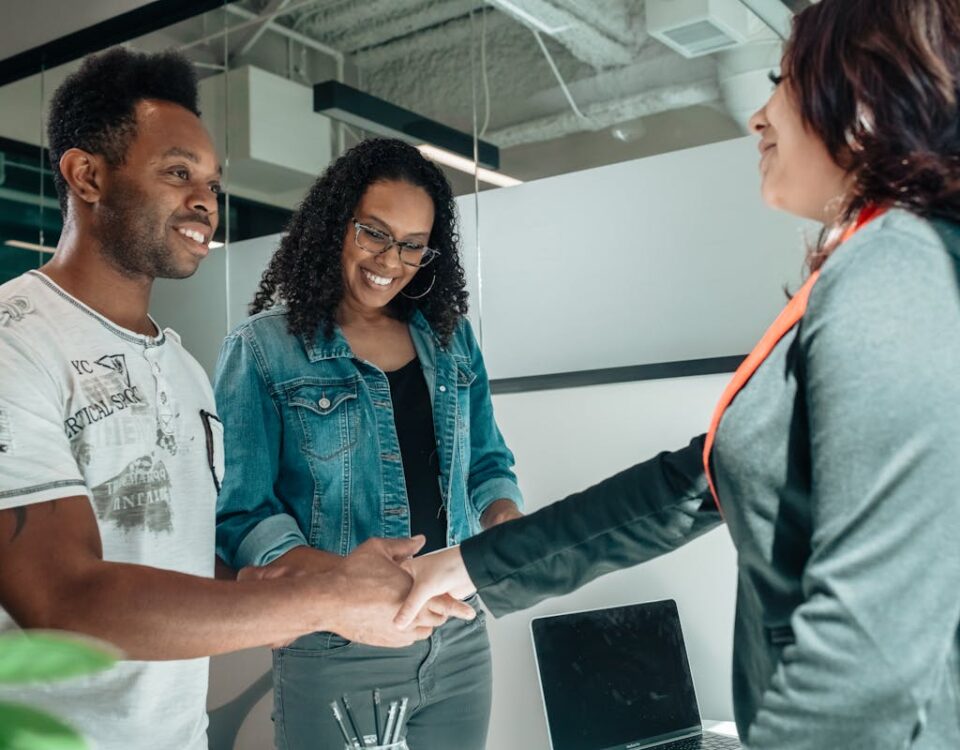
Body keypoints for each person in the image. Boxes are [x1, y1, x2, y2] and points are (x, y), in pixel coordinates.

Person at [396, 1, 960, 748]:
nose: (758, 118)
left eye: (781, 82)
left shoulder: (897, 268)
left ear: (863, 97)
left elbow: (871, 654)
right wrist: (470, 564)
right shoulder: (880, 263)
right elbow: (691, 485)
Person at [0, 49, 470, 750]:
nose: (205, 203)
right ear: (87, 175)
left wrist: (337, 573)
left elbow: (196, 564)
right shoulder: (16, 342)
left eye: (213, 184)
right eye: (178, 173)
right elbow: (63, 602)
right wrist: (329, 601)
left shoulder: (182, 368)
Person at [213, 137, 524, 749]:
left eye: (413, 245)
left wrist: (505, 517)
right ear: (336, 226)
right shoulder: (261, 350)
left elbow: (488, 462)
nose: (392, 259)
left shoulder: (451, 339)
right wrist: (342, 585)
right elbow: (242, 513)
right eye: (374, 233)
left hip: (456, 636)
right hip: (336, 640)